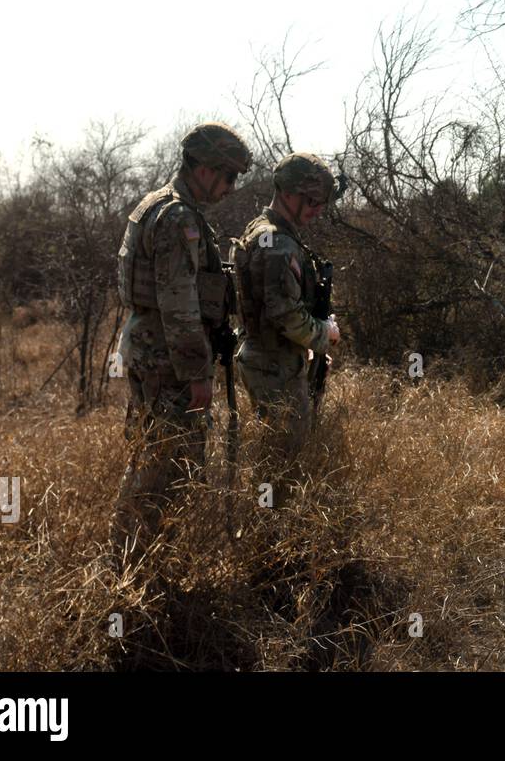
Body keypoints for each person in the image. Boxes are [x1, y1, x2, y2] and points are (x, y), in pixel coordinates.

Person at [109, 122, 251, 571]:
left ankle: (138, 564)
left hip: (152, 349)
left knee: (153, 453)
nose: (231, 188)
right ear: (206, 169)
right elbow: (179, 306)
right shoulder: (178, 218)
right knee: (165, 467)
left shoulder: (161, 206)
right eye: (229, 176)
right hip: (167, 359)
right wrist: (197, 373)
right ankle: (139, 570)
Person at [232, 152, 340, 510]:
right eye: (311, 200)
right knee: (284, 461)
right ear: (288, 192)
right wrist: (325, 334)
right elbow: (285, 315)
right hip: (275, 366)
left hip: (269, 359)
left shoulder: (261, 230)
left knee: (273, 455)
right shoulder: (277, 242)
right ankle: (270, 538)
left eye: (321, 202)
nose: (317, 209)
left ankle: (266, 525)